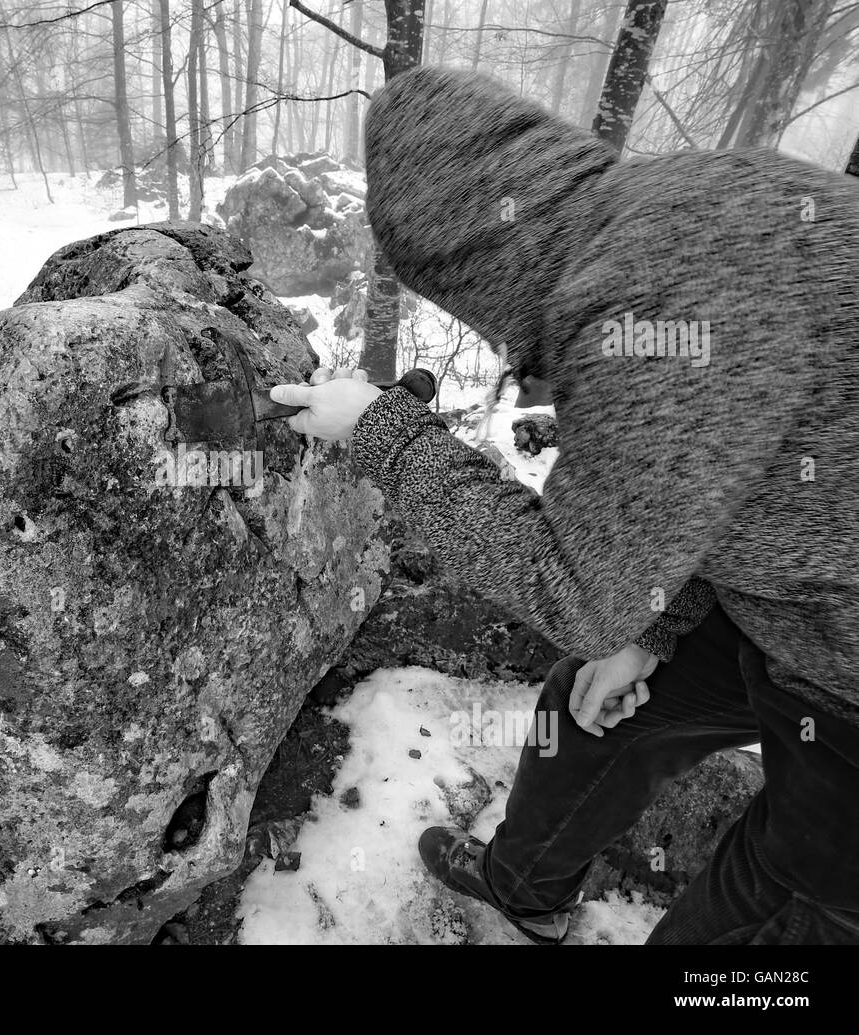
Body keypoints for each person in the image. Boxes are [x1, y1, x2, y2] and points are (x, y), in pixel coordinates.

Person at [269, 65, 859, 945]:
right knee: (588, 702)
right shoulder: (690, 198)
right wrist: (655, 628)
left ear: (468, 262)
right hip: (792, 579)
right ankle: (526, 889)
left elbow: (579, 595)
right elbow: (731, 456)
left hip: (841, 665)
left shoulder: (635, 304)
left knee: (764, 921)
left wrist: (386, 435)